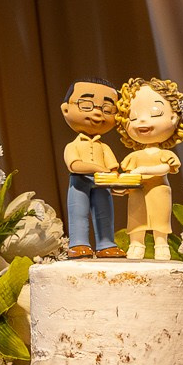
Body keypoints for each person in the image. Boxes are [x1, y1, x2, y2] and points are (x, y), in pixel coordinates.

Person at [112, 76, 183, 260]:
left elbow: (165, 169)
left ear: (173, 117)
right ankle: (136, 243)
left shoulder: (164, 154)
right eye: (134, 116)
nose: (142, 121)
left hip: (159, 190)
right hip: (137, 192)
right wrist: (122, 185)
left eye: (155, 113)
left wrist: (144, 171)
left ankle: (161, 244)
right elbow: (128, 175)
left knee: (160, 218)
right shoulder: (134, 157)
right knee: (137, 218)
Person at [60, 80, 124, 258]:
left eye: (107, 109)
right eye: (87, 105)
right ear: (66, 109)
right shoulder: (72, 146)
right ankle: (79, 244)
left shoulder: (103, 147)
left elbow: (113, 168)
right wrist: (98, 169)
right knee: (78, 214)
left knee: (105, 214)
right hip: (79, 184)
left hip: (102, 185)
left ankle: (106, 244)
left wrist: (116, 182)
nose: (97, 112)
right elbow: (74, 165)